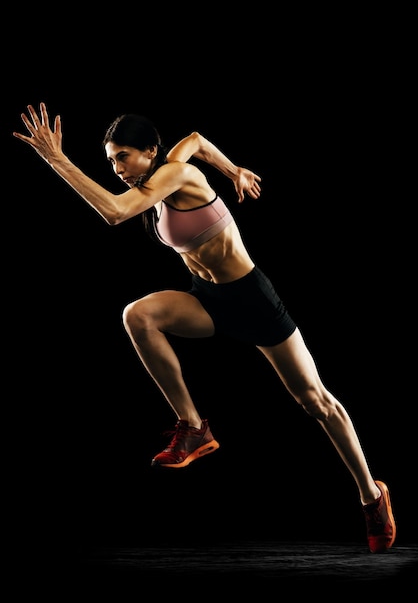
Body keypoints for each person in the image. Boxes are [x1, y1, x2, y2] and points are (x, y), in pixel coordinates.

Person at [13, 102, 396, 554]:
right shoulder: (160, 174)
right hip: (208, 299)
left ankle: (372, 495)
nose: (116, 168)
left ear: (150, 151)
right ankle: (193, 426)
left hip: (253, 300)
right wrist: (233, 169)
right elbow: (195, 138)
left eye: (123, 157)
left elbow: (115, 213)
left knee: (317, 402)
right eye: (111, 159)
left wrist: (58, 160)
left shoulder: (173, 174)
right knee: (139, 315)